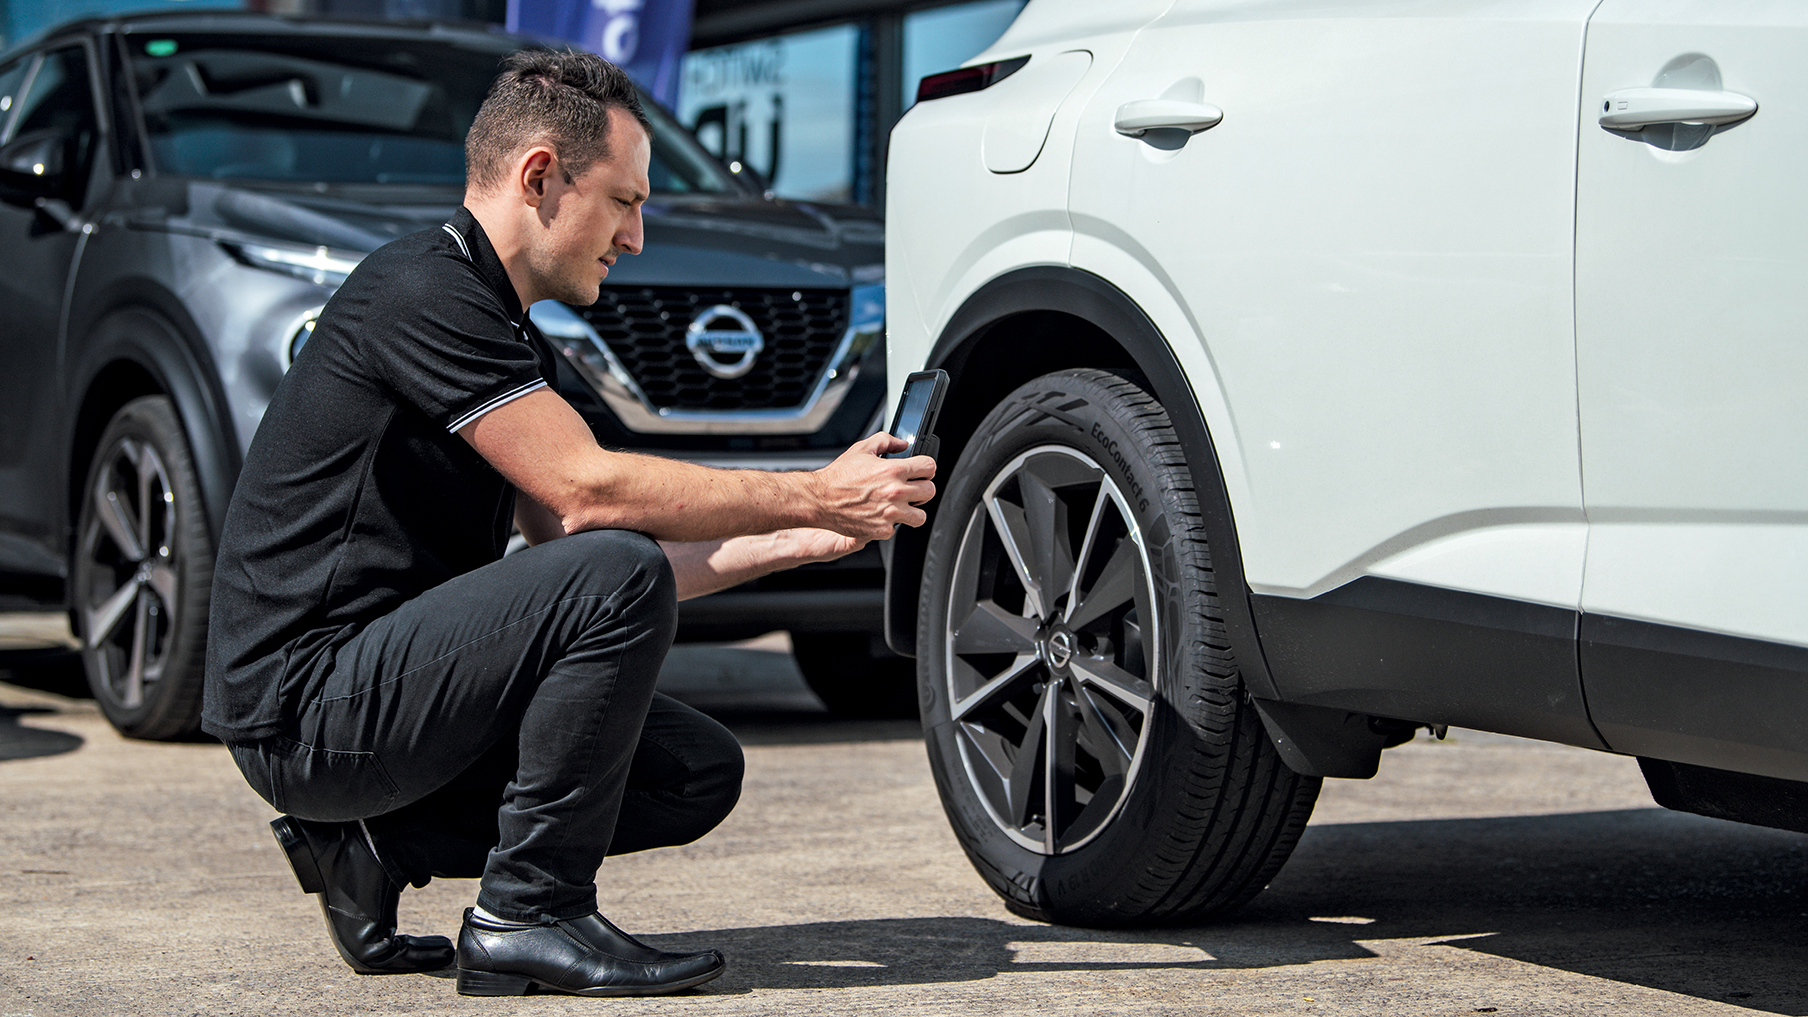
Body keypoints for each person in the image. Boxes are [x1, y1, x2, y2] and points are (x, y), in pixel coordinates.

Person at [201, 48, 934, 999]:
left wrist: (819, 534)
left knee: (693, 772)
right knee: (617, 563)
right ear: (540, 175)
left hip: (373, 696)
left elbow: (578, 559)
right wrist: (806, 488)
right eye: (625, 201)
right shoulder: (423, 291)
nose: (635, 237)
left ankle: (377, 842)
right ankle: (526, 913)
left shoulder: (501, 324)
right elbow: (593, 500)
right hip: (302, 707)